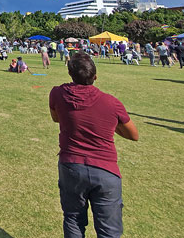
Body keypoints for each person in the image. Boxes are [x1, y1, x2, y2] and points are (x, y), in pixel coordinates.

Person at [49, 52, 139, 238]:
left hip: (71, 165)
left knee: (73, 219)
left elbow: (56, 118)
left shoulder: (58, 93)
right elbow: (133, 135)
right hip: (105, 169)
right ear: (95, 76)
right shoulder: (111, 102)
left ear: (70, 74)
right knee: (109, 230)